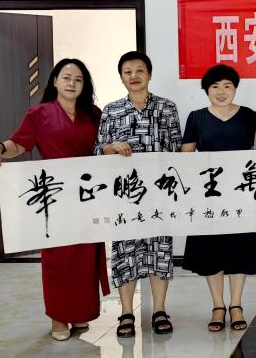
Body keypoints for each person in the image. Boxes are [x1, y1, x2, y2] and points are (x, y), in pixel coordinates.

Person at [0, 59, 109, 342]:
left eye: (78, 79)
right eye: (66, 77)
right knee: (58, 258)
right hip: (54, 197)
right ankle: (58, 317)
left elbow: (102, 148)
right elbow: (19, 144)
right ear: (55, 81)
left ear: (84, 85)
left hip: (87, 195)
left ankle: (80, 312)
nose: (72, 83)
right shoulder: (39, 113)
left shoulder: (93, 114)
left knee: (85, 257)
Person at [95, 51, 181, 338]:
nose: (134, 76)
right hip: (125, 196)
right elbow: (98, 151)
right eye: (128, 71)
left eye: (140, 70)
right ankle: (126, 312)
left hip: (159, 194)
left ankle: (159, 310)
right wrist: (112, 147)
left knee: (160, 250)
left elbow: (177, 150)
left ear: (149, 74)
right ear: (121, 77)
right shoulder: (111, 110)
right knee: (125, 252)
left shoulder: (167, 108)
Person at [180, 64, 256, 332]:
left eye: (227, 86)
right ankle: (218, 305)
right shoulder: (196, 118)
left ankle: (236, 304)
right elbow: (186, 155)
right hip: (208, 195)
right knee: (210, 249)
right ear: (206, 90)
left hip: (241, 193)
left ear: (235, 89)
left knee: (240, 247)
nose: (221, 91)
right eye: (215, 86)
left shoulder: (250, 116)